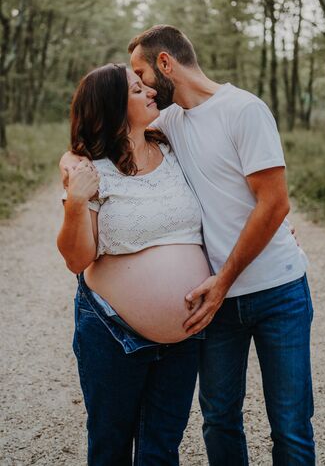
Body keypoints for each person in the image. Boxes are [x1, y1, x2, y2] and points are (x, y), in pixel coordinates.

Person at [61, 25, 315, 465]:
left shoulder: (223, 118)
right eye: (134, 84)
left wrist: (265, 238)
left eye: (142, 76)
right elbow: (104, 128)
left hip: (258, 295)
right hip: (177, 312)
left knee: (288, 426)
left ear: (165, 65)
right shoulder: (159, 129)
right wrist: (73, 168)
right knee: (211, 420)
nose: (144, 89)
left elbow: (271, 201)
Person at [57, 62, 211, 465]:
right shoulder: (90, 170)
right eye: (136, 89)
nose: (150, 92)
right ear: (112, 105)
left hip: (184, 337)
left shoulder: (176, 149)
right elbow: (77, 257)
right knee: (110, 445)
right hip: (111, 329)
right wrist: (75, 202)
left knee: (162, 448)